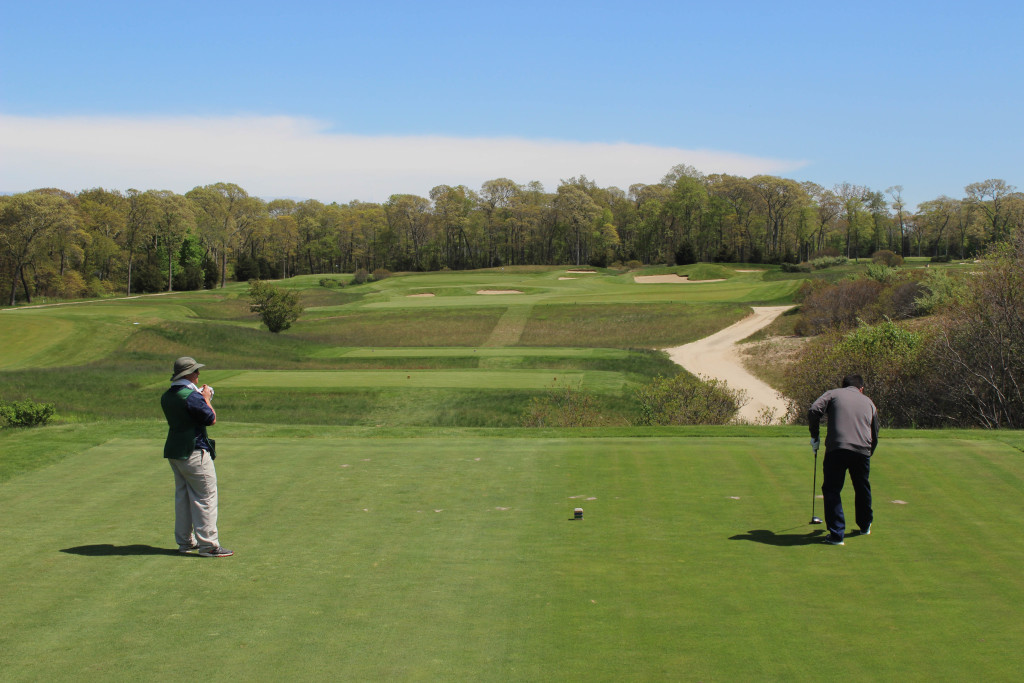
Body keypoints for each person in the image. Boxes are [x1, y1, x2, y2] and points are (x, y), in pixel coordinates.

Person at [161, 356, 233, 557]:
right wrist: (207, 399)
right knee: (205, 497)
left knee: (183, 497)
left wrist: (201, 398)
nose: (198, 374)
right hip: (194, 451)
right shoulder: (191, 396)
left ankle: (185, 541)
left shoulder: (168, 395)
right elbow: (211, 419)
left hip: (176, 451)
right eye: (195, 371)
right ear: (188, 374)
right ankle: (209, 545)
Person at [808, 374, 879, 546]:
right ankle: (864, 525)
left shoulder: (833, 394)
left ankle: (837, 535)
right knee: (862, 487)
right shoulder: (869, 402)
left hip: (837, 449)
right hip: (862, 450)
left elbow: (813, 410)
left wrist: (815, 436)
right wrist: (869, 452)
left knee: (832, 489)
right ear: (861, 388)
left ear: (843, 385)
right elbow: (875, 432)